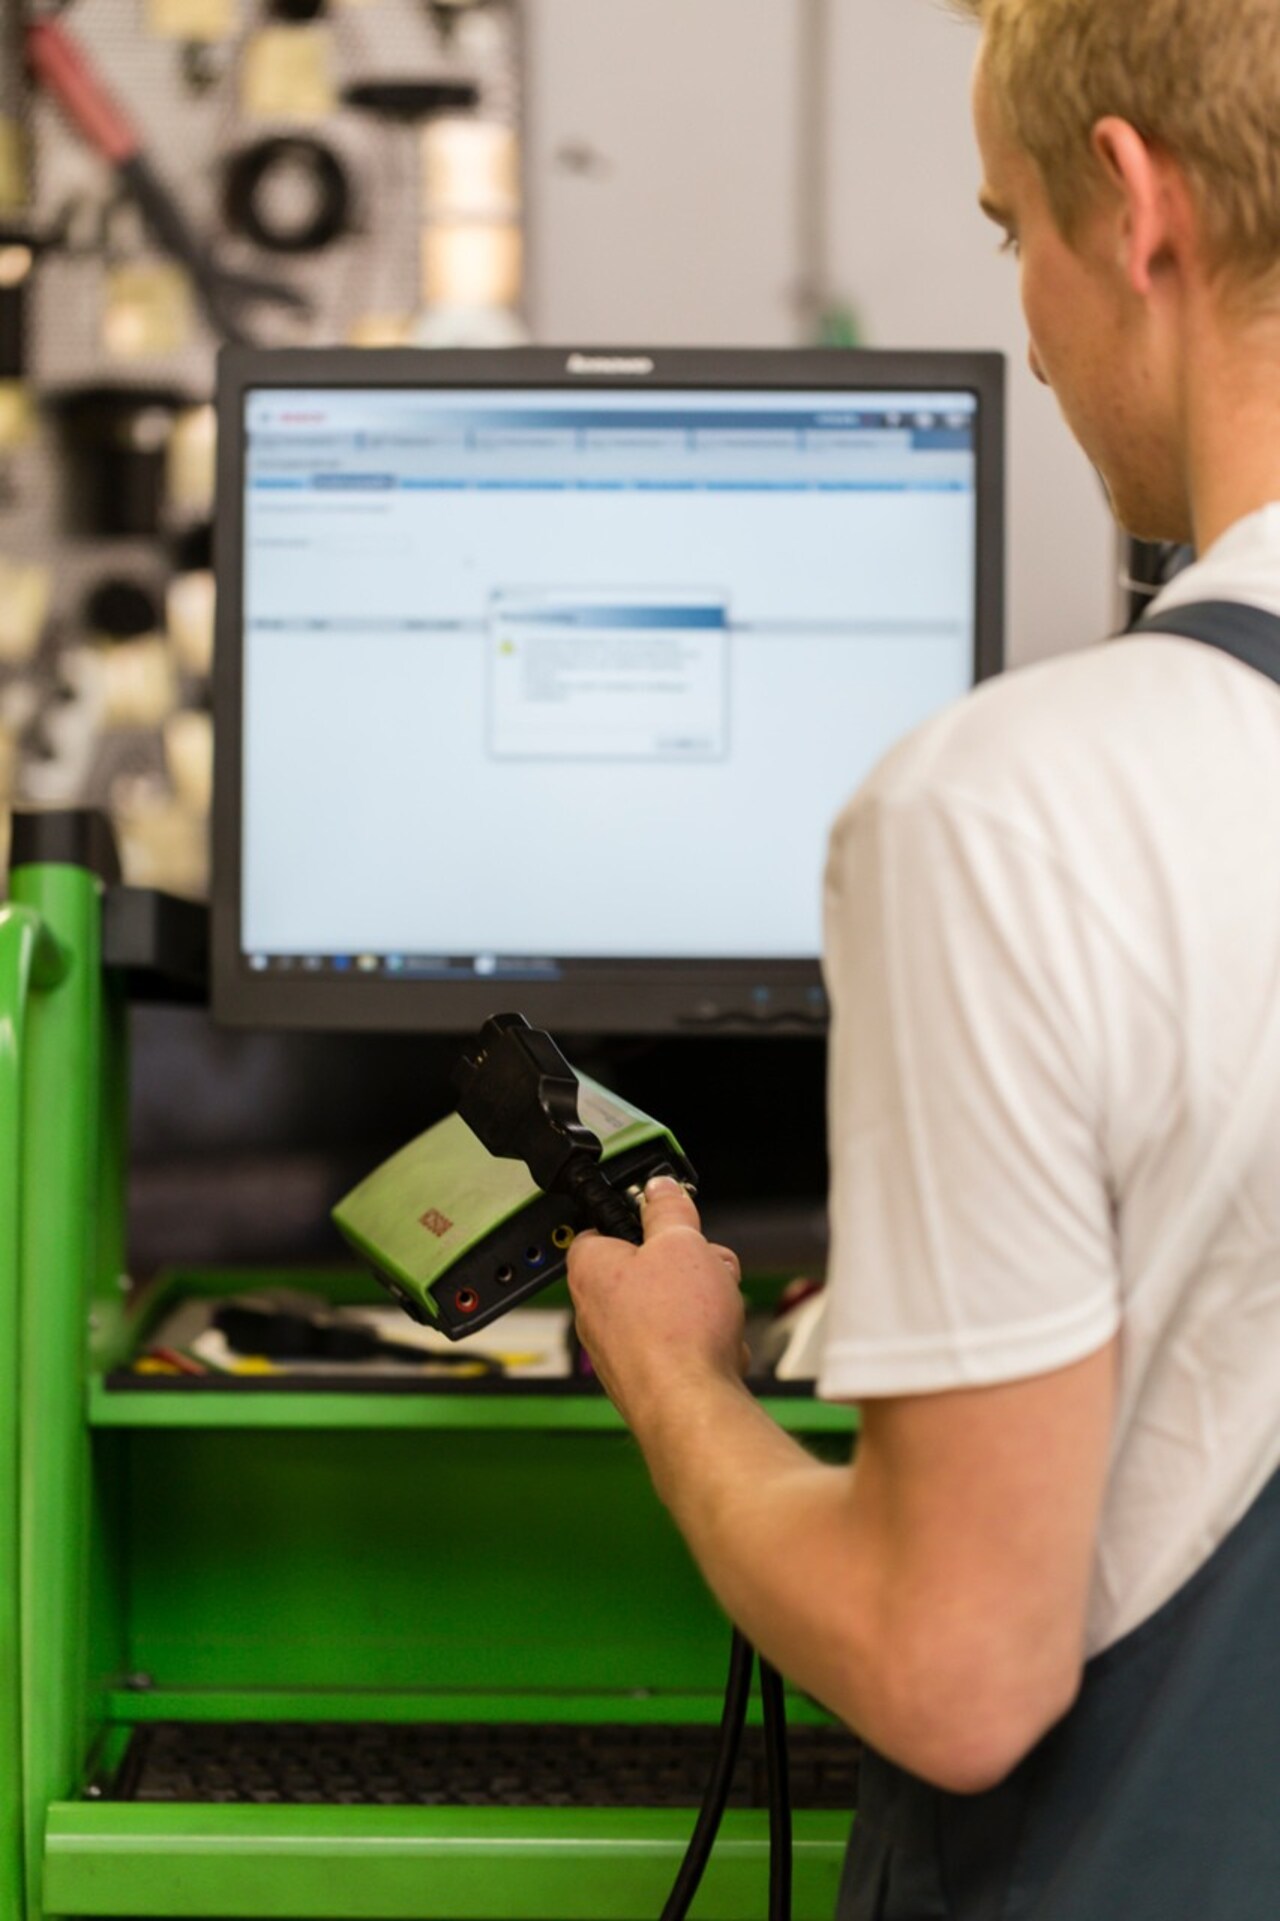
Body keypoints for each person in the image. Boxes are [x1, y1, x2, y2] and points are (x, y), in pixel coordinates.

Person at [566, 0, 1280, 1914]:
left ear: (1134, 204)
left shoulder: (1018, 811)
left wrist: (678, 1382)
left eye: (1009, 229)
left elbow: (955, 1672)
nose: (1029, 324)